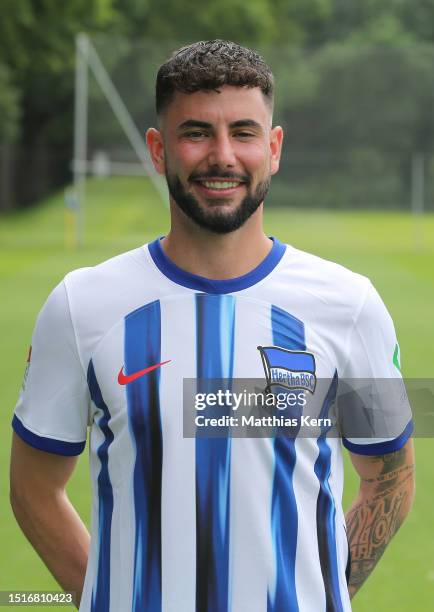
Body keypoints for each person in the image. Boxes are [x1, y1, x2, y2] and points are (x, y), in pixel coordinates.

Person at [10, 40, 415, 612]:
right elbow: (33, 486)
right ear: (158, 150)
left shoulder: (351, 306)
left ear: (273, 148)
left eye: (244, 133)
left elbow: (391, 477)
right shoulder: (82, 306)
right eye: (196, 132)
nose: (222, 155)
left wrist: (316, 592)